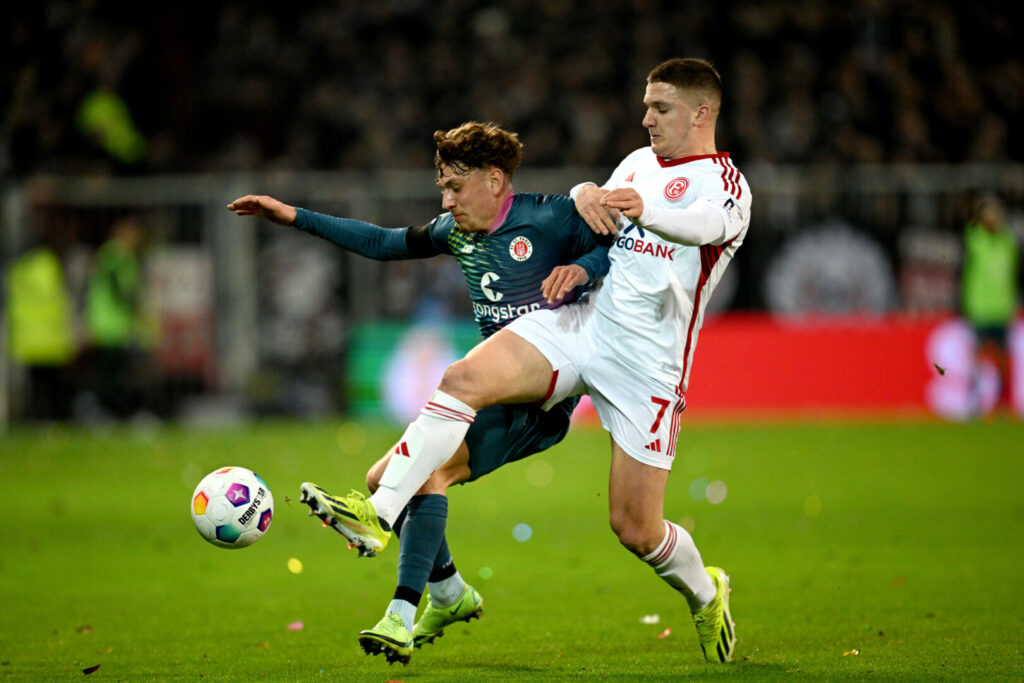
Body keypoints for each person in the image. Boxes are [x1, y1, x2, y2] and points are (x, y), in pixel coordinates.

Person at [313, 58, 751, 664]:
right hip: (582, 321)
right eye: (646, 105)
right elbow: (594, 218)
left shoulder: (725, 185)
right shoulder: (638, 163)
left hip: (648, 363)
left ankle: (706, 591)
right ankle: (376, 512)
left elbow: (703, 227)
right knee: (462, 377)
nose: (645, 117)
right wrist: (583, 198)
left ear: (702, 113)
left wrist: (645, 212)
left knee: (635, 527)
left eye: (660, 108)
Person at [227, 121, 611, 665]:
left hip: (538, 403)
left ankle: (400, 614)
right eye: (443, 189)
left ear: (496, 179)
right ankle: (450, 593)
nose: (447, 200)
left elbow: (618, 252)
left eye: (456, 188)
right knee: (383, 476)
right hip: (490, 393)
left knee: (424, 472)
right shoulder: (456, 233)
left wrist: (582, 266)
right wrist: (294, 217)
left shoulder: (551, 216)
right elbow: (385, 243)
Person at [960, 193, 1020, 415]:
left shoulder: (1008, 242)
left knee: (1003, 360)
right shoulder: (976, 240)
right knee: (978, 359)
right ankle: (975, 402)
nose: (993, 217)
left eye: (996, 212)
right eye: (989, 213)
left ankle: (1002, 403)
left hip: (1002, 309)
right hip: (980, 309)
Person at [85, 215, 149, 419]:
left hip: (118, 326)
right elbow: (122, 289)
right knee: (109, 375)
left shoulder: (122, 256)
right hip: (108, 325)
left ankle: (111, 413)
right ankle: (98, 412)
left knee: (117, 374)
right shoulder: (114, 254)